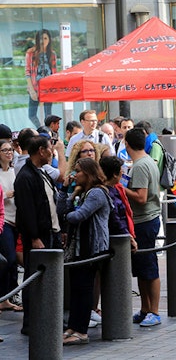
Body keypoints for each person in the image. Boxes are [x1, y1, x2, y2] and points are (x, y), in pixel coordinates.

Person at [57, 157, 111, 345]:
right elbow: (62, 210)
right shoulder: (82, 192)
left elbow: (78, 215)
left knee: (84, 288)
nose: (74, 174)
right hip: (79, 248)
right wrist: (64, 189)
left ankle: (81, 331)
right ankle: (73, 327)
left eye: (78, 171)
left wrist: (66, 215)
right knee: (76, 288)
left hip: (93, 248)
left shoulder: (97, 193)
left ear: (88, 173)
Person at [14, 135, 60, 335]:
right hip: (37, 236)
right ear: (41, 150)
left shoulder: (41, 173)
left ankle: (45, 318)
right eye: (50, 148)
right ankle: (31, 322)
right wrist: (34, 236)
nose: (52, 152)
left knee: (47, 278)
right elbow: (26, 210)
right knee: (33, 277)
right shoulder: (25, 176)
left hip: (49, 232)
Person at [123, 128, 162, 327]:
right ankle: (145, 308)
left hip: (145, 220)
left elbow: (141, 197)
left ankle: (154, 311)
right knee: (141, 268)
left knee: (148, 267)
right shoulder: (146, 162)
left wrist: (121, 187)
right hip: (146, 219)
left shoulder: (140, 166)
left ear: (127, 144)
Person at [0, 139, 21, 312]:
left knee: (12, 261)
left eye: (10, 149)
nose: (9, 152)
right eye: (4, 150)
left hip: (17, 219)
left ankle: (8, 296)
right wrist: (5, 195)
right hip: (4, 220)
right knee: (9, 259)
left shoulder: (15, 171)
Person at [25, 29, 57, 128]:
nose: (43, 41)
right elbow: (28, 72)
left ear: (49, 40)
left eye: (45, 38)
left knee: (48, 116)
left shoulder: (52, 54)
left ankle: (49, 134)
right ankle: (41, 130)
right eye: (41, 39)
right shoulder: (31, 53)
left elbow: (54, 73)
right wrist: (31, 90)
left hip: (48, 89)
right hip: (35, 88)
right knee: (32, 114)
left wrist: (53, 90)